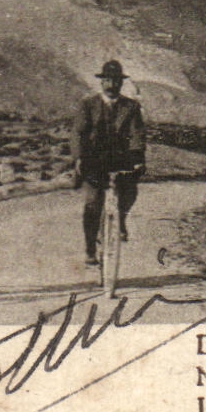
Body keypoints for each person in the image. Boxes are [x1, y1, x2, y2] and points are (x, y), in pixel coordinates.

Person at [72, 60, 145, 266]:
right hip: (93, 159)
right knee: (92, 204)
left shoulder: (131, 106)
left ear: (121, 83)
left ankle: (120, 219)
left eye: (116, 81)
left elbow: (137, 133)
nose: (112, 85)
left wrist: (137, 158)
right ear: (102, 82)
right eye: (108, 80)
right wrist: (78, 157)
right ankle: (90, 249)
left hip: (120, 157)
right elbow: (78, 133)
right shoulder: (88, 104)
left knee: (130, 191)